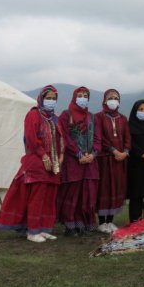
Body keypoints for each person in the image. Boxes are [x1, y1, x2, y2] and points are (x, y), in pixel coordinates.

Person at [0, 85, 65, 242]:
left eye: (54, 99)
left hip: (53, 165)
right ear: (41, 98)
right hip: (37, 162)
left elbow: (61, 139)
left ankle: (45, 228)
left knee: (49, 197)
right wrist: (44, 157)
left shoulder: (55, 118)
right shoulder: (33, 115)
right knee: (37, 197)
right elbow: (32, 139)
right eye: (48, 98)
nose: (51, 101)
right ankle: (33, 231)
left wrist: (60, 156)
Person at [57, 86, 101, 235]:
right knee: (72, 193)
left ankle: (86, 223)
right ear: (74, 97)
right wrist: (78, 153)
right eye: (80, 95)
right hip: (73, 161)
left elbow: (97, 138)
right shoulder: (66, 115)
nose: (83, 98)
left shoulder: (92, 117)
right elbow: (65, 137)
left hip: (90, 162)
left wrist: (93, 154)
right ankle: (70, 225)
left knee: (88, 193)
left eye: (85, 95)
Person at [94, 89, 131, 233]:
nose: (113, 100)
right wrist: (114, 151)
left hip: (120, 160)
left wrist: (125, 152)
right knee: (105, 189)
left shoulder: (123, 118)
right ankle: (102, 222)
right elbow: (100, 138)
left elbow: (128, 137)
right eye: (110, 97)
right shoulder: (98, 117)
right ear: (104, 100)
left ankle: (110, 221)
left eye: (116, 98)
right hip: (105, 160)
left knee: (117, 188)